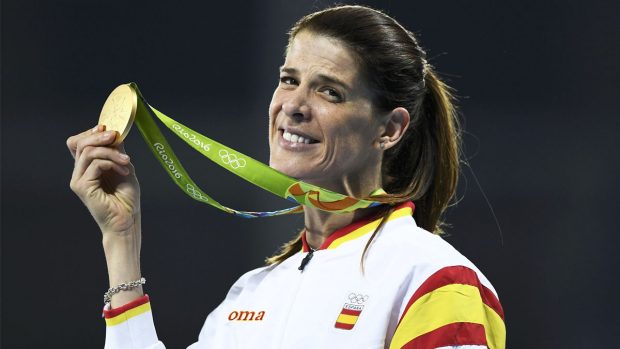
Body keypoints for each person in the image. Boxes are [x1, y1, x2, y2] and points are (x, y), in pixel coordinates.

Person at [67, 5, 505, 349]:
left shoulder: (431, 279)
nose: (293, 105)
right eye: (289, 80)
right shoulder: (251, 295)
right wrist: (120, 239)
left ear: (389, 129)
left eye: (329, 91)